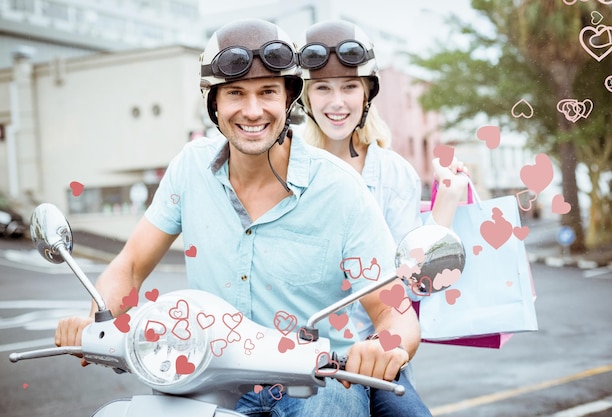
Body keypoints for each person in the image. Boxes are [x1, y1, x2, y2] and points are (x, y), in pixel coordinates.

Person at [55, 18, 419, 417]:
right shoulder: (189, 169)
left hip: (317, 381)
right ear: (214, 103)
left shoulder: (341, 189)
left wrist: (386, 346)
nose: (252, 110)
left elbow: (393, 310)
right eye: (235, 93)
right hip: (207, 373)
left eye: (267, 92)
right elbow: (131, 264)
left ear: (289, 98)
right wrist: (95, 321)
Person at [298, 20, 469, 417]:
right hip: (296, 354)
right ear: (306, 97)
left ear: (367, 93)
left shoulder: (394, 173)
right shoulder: (287, 168)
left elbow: (410, 279)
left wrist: (447, 201)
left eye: (349, 87)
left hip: (369, 350)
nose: (336, 102)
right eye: (323, 87)